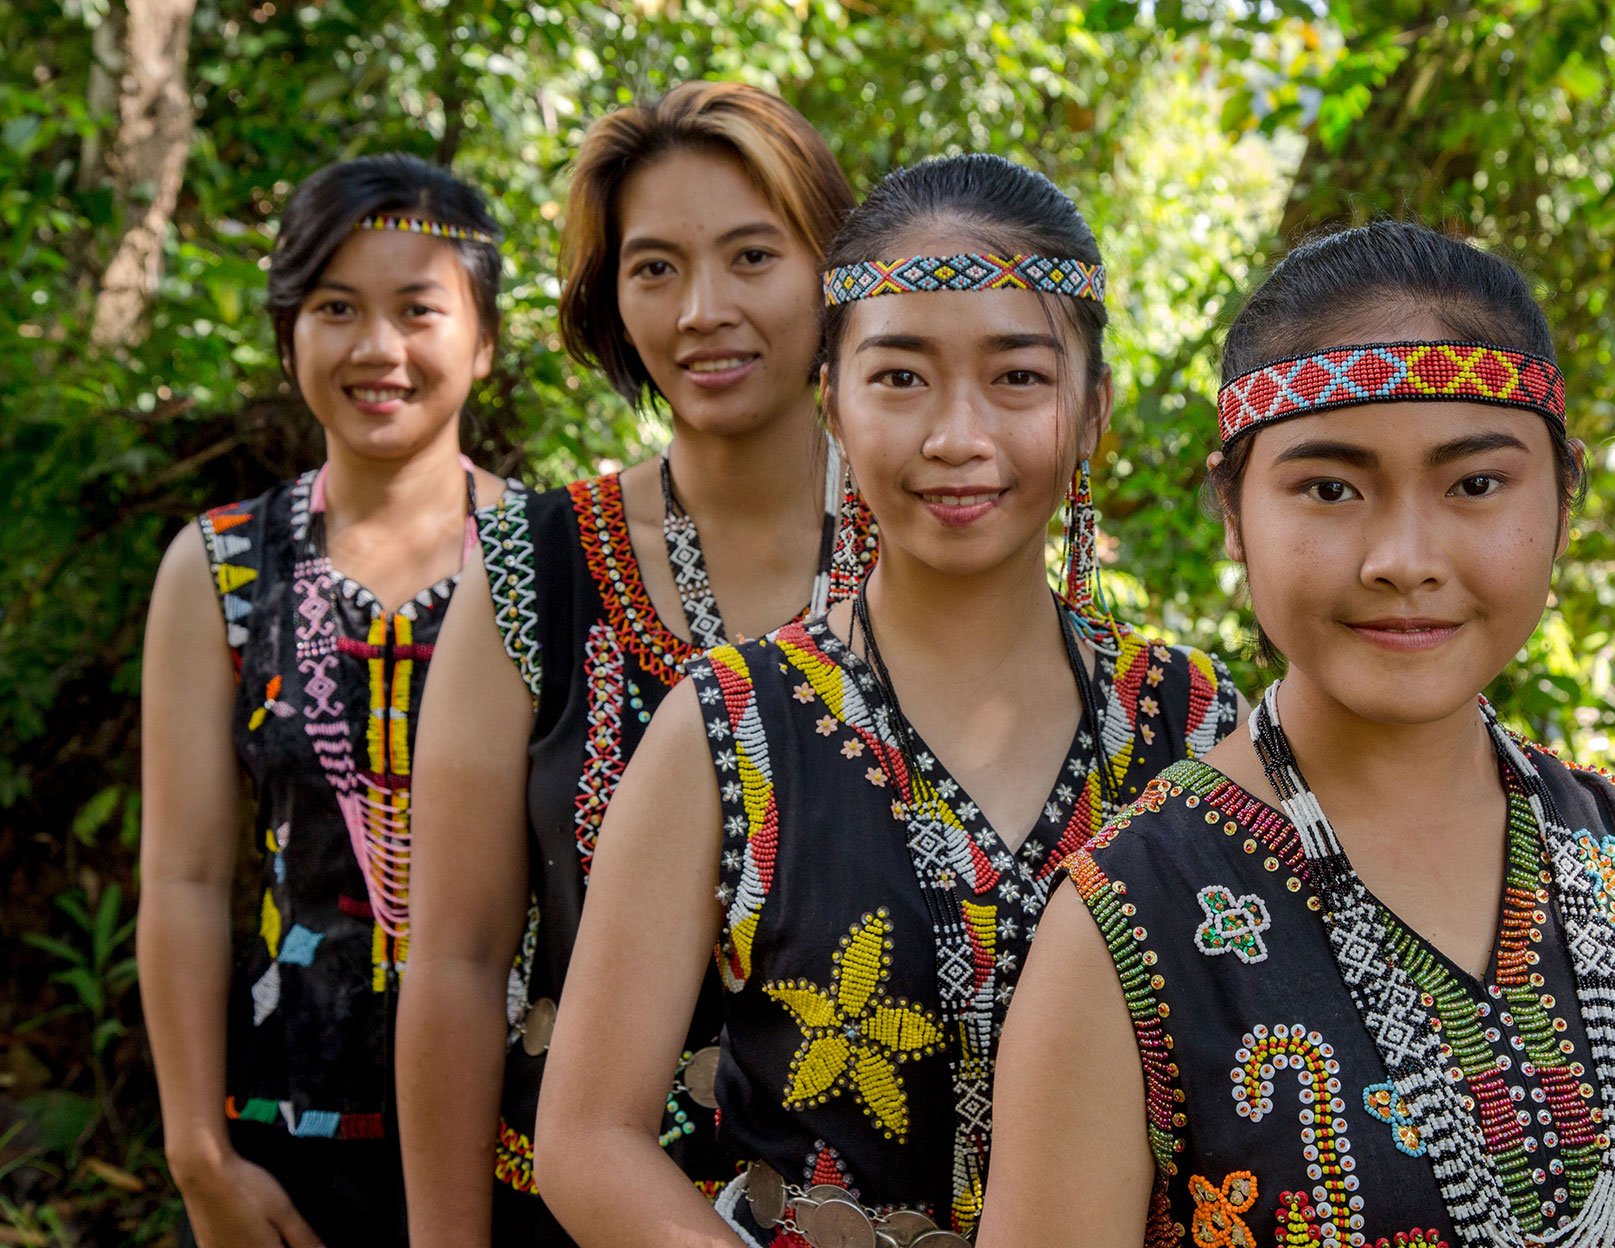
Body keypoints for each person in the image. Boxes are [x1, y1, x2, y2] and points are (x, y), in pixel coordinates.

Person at [977, 221, 1615, 1248]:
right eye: (1330, 487)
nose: (1404, 557)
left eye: (1474, 484)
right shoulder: (1123, 928)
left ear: (1564, 491)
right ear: (1233, 507)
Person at [533, 153, 1244, 1248]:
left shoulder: (1195, 725)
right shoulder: (728, 725)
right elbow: (586, 1137)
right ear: (834, 401)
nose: (957, 436)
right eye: (901, 377)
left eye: (1018, 378)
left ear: (1092, 409)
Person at [396, 82, 873, 1247]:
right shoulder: (531, 569)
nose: (704, 309)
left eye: (753, 254)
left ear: (835, 269)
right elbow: (456, 960)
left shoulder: (946, 541)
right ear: (610, 302)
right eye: (654, 267)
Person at [138, 154, 515, 1247]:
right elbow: (186, 873)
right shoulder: (219, 567)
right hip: (282, 1129)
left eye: (418, 309)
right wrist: (197, 1153)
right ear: (290, 335)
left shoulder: (553, 560)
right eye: (336, 308)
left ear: (482, 341)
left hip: (517, 1133)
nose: (377, 348)